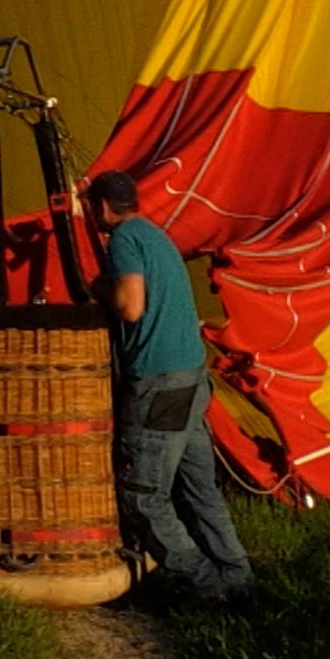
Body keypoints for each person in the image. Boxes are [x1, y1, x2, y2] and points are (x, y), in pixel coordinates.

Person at [85, 169, 254, 604]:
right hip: (193, 376)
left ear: (102, 207)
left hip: (160, 383)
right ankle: (238, 576)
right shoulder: (156, 236)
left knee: (143, 497)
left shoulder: (123, 240)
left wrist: (100, 287)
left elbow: (130, 306)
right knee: (200, 489)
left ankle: (206, 585)